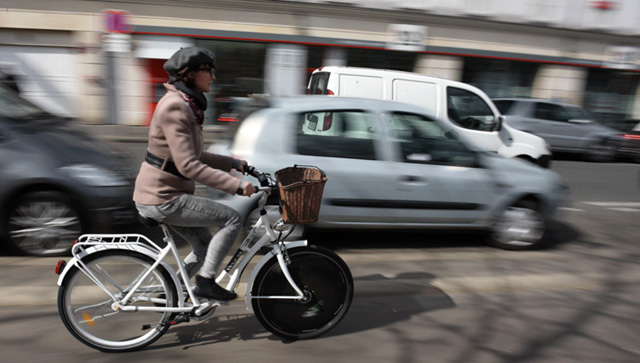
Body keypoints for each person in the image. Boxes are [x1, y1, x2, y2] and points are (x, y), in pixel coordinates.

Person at [133, 47, 255, 301]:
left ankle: (170, 293)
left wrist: (233, 163)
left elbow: (196, 156)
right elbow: (189, 165)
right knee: (232, 219)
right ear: (189, 74)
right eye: (208, 71)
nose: (212, 77)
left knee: (204, 245)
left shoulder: (187, 106)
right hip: (163, 197)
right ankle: (205, 282)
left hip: (167, 192)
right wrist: (235, 186)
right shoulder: (175, 108)